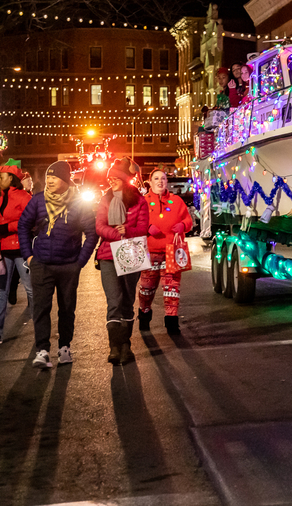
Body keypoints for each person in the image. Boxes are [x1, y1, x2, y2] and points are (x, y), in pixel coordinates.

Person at [18, 161, 99, 368]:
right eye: (49, 177)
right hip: (41, 264)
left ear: (65, 180)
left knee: (67, 308)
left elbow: (91, 233)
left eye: (55, 177)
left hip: (68, 265)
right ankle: (42, 350)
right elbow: (23, 226)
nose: (50, 180)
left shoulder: (79, 203)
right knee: (41, 308)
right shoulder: (38, 200)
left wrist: (80, 262)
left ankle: (65, 347)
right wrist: (28, 256)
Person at [95, 158, 149, 364]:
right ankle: (114, 347)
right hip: (108, 254)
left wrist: (128, 231)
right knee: (113, 300)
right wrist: (118, 235)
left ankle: (126, 345)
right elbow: (99, 226)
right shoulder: (105, 200)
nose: (111, 181)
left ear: (125, 180)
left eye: (115, 178)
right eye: (110, 178)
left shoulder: (139, 201)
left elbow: (143, 228)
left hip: (132, 252)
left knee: (127, 300)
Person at [0, 159, 32, 346]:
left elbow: (29, 222)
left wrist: (3, 227)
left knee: (31, 289)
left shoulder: (24, 197)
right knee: (0, 291)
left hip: (20, 249)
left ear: (11, 178)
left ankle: (42, 328)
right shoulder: (3, 197)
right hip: (4, 248)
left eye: (1, 177)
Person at [138, 170, 193, 335]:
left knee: (172, 289)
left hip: (172, 252)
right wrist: (147, 228)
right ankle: (144, 313)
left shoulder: (176, 201)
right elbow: (134, 222)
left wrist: (183, 225)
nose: (160, 182)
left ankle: (171, 322)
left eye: (163, 178)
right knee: (146, 289)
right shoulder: (143, 202)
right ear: (150, 182)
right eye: (156, 178)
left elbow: (188, 220)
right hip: (149, 252)